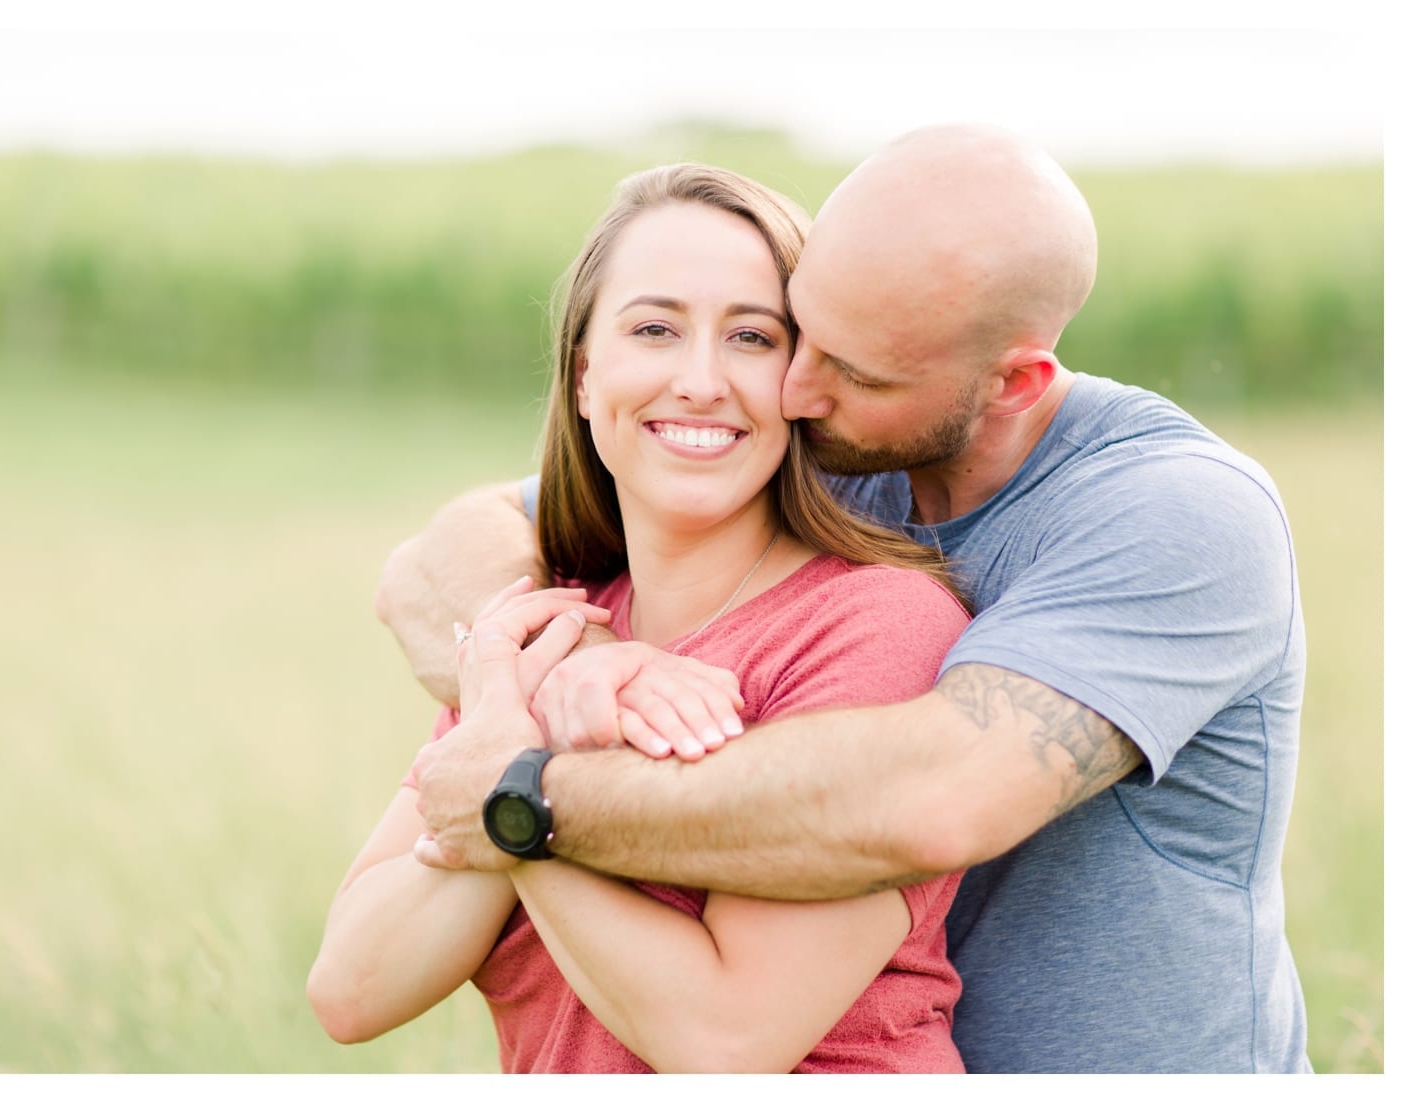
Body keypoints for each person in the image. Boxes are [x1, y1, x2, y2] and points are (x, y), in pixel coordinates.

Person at [381, 125, 1312, 1074]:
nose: (790, 388)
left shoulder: (1177, 514)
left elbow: (934, 800)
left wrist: (527, 792)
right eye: (799, 331)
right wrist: (569, 662)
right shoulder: (835, 455)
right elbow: (435, 559)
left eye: (854, 370)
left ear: (1013, 383)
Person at [308, 164, 975, 1072]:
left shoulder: (879, 628)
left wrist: (521, 795)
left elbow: (725, 1039)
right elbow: (351, 988)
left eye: (752, 336)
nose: (700, 381)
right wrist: (538, 713)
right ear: (586, 379)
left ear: (803, 379)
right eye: (655, 329)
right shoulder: (549, 624)